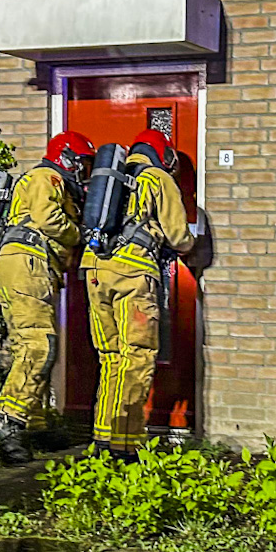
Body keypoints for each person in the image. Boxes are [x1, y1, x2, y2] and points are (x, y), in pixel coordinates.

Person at [82, 129, 195, 461]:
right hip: (133, 276)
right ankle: (126, 445)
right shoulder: (157, 178)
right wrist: (193, 243)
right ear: (162, 154)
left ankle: (103, 437)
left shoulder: (110, 178)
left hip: (95, 272)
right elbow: (178, 235)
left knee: (111, 356)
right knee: (138, 356)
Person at [0, 131, 94, 464]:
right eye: (82, 164)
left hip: (27, 265)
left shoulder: (49, 180)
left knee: (31, 347)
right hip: (27, 264)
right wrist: (81, 234)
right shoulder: (45, 177)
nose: (84, 173)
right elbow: (49, 219)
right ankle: (7, 420)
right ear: (66, 159)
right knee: (39, 346)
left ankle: (35, 424)